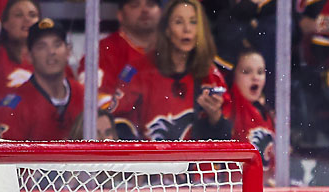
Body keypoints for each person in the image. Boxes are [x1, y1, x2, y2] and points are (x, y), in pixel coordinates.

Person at [108, 0, 232, 141]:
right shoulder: (138, 70)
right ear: (166, 29)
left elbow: (226, 139)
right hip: (148, 160)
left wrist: (215, 117)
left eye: (193, 22)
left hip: (194, 161)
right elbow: (118, 123)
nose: (187, 29)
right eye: (179, 22)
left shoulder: (211, 76)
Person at [0, 18, 82, 140]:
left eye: (57, 44)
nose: (51, 52)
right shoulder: (14, 106)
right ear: (29, 56)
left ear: (68, 51)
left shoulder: (84, 94)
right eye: (42, 46)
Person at [80, 0, 161, 110]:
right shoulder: (101, 52)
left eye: (151, 4)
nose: (145, 10)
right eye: (135, 5)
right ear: (120, 15)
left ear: (161, 12)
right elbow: (94, 103)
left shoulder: (174, 48)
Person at [230, 48, 275, 181]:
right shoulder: (230, 107)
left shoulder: (268, 114)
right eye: (246, 72)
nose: (255, 77)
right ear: (234, 76)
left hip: (265, 191)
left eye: (260, 72)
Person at [0, 0, 38, 92]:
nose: (27, 19)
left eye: (32, 15)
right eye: (19, 15)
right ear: (5, 24)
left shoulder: (52, 57)